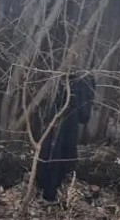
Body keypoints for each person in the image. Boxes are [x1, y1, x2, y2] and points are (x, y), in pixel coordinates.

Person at [36, 72, 95, 203]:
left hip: (63, 118)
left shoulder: (77, 82)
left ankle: (48, 188)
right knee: (57, 152)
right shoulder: (80, 81)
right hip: (64, 120)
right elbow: (84, 114)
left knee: (56, 152)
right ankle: (49, 189)